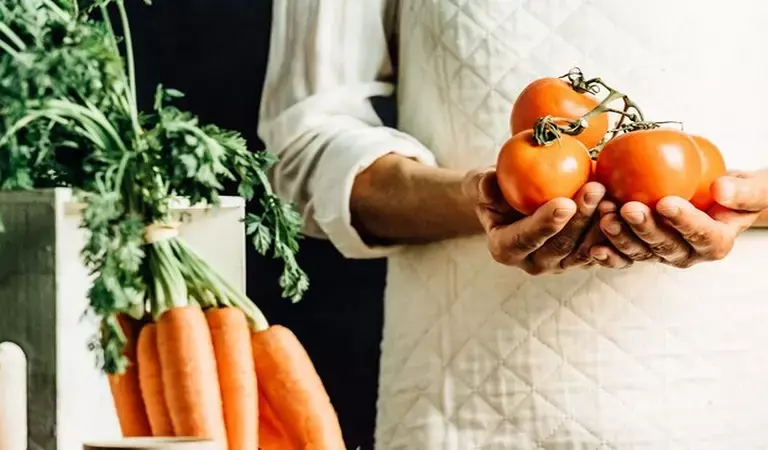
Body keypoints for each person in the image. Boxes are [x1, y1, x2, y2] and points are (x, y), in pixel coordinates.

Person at [259, 1, 768, 448]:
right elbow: (301, 146)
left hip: (731, 398)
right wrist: (482, 201)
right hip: (467, 409)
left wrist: (746, 201)